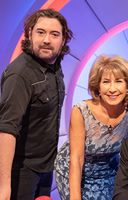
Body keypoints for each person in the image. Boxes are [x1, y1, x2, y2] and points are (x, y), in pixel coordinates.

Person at [0, 9, 73, 200]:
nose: (47, 40)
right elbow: (7, 129)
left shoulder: (54, 65)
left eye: (54, 34)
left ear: (63, 39)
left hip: (46, 168)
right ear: (30, 33)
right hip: (21, 172)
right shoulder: (20, 74)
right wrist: (4, 187)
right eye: (41, 32)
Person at [54, 54, 128, 200]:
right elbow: (76, 159)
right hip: (76, 172)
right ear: (98, 86)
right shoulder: (81, 111)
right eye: (106, 82)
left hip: (109, 171)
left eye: (119, 81)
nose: (112, 89)